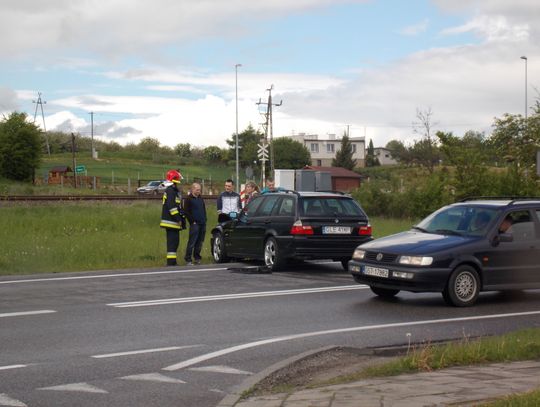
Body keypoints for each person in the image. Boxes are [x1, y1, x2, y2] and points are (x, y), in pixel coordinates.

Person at [160, 169, 186, 266]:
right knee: (172, 243)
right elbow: (172, 207)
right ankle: (171, 263)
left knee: (175, 242)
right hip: (171, 222)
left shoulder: (173, 190)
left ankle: (173, 262)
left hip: (173, 222)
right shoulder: (171, 191)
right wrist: (178, 219)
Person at [183, 182, 207, 265]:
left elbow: (203, 209)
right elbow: (186, 211)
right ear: (193, 189)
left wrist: (205, 219)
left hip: (202, 223)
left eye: (199, 190)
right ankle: (188, 259)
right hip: (195, 224)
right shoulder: (188, 199)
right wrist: (192, 221)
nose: (198, 191)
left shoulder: (200, 198)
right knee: (192, 242)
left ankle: (197, 258)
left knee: (200, 242)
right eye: (197, 190)